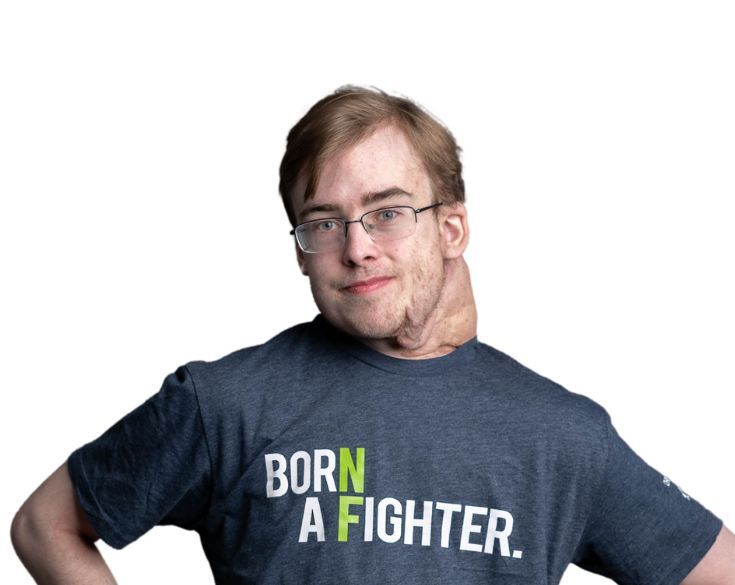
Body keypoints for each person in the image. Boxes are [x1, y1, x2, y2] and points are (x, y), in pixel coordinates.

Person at [11, 86, 735, 585]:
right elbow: (47, 526)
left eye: (386, 212)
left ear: (450, 226)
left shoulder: (562, 436)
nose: (356, 248)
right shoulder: (225, 401)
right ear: (300, 249)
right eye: (323, 221)